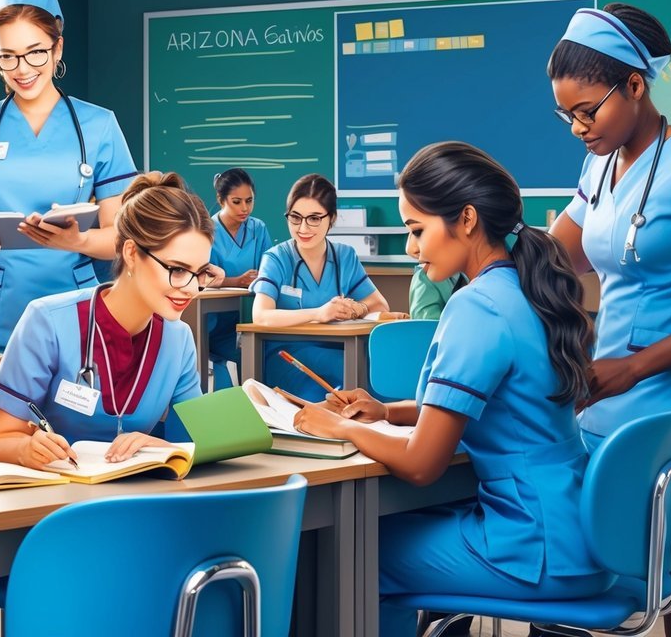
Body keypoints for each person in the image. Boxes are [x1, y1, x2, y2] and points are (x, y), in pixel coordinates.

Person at [293, 142, 611, 637]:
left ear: (465, 219)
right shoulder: (528, 288)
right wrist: (384, 412)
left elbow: (423, 463)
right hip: (579, 532)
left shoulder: (475, 306)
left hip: (532, 545)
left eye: (417, 230)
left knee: (350, 551)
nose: (411, 249)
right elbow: (490, 406)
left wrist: (336, 426)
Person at [548, 3, 671, 636]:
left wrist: (637, 366)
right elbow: (554, 256)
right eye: (565, 114)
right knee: (589, 561)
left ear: (635, 84)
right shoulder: (599, 164)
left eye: (587, 110)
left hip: (670, 395)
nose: (576, 127)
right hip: (601, 389)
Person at [0, 0, 138, 352]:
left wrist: (76, 241)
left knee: (72, 406)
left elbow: (119, 239)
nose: (23, 69)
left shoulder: (99, 125)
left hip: (76, 304)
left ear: (57, 49)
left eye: (35, 53)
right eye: (8, 57)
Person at [0, 172, 211, 469]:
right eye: (177, 269)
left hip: (140, 499)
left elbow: (198, 441)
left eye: (200, 272)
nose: (191, 288)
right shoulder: (47, 322)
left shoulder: (178, 338)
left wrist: (163, 447)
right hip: (57, 502)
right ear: (131, 253)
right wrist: (27, 448)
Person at [250, 173, 400, 400]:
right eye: (295, 218)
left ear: (332, 218)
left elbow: (379, 304)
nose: (303, 228)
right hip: (286, 355)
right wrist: (319, 313)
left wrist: (356, 308)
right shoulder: (276, 258)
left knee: (377, 372)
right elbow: (260, 315)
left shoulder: (345, 255)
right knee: (347, 375)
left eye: (314, 218)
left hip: (338, 348)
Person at [205, 168, 270, 390]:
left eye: (249, 201)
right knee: (251, 355)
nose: (245, 208)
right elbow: (203, 278)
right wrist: (236, 281)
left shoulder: (258, 228)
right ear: (220, 199)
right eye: (236, 201)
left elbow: (269, 269)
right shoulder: (207, 231)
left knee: (271, 352)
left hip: (250, 319)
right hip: (214, 324)